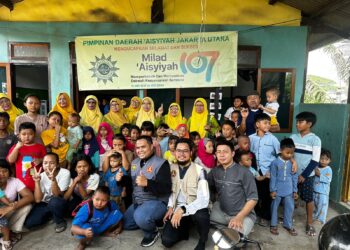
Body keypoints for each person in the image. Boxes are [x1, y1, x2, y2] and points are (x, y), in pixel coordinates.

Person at [161, 138, 210, 250]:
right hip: (177, 208)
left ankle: (203, 240)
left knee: (202, 215)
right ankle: (184, 228)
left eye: (185, 151)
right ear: (174, 152)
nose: (181, 154)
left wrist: (183, 209)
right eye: (179, 150)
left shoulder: (200, 170)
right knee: (166, 241)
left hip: (195, 207)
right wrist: (170, 207)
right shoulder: (171, 168)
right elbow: (171, 192)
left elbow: (204, 199)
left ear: (191, 152)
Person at [123, 136, 171, 247]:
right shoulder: (134, 163)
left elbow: (166, 188)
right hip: (138, 202)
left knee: (141, 217)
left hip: (156, 202)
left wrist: (148, 183)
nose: (140, 150)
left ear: (151, 146)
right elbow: (132, 184)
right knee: (126, 223)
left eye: (143, 147)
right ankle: (154, 220)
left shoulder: (162, 163)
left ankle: (152, 231)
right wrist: (121, 180)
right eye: (137, 148)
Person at [208, 140, 258, 236]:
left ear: (232, 153)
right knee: (201, 217)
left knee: (233, 239)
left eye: (225, 152)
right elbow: (205, 186)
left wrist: (239, 217)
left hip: (243, 215)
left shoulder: (244, 172)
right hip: (222, 212)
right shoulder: (214, 171)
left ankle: (243, 226)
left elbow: (253, 198)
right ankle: (227, 226)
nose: (221, 155)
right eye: (219, 152)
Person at [290, 111, 321, 236]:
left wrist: (304, 175)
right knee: (291, 196)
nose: (297, 124)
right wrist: (293, 163)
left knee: (308, 198)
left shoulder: (315, 139)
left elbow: (315, 160)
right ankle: (288, 218)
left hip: (308, 175)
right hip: (293, 174)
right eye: (297, 121)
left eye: (300, 122)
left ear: (309, 124)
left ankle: (309, 223)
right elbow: (289, 154)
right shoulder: (293, 137)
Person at [24, 152, 70, 233]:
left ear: (58, 164)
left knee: (54, 202)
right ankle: (52, 214)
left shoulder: (65, 173)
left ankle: (60, 221)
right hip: (45, 203)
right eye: (45, 163)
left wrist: (53, 180)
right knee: (30, 223)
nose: (48, 166)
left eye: (51, 163)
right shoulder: (40, 175)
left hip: (59, 201)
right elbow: (38, 200)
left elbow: (58, 195)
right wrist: (37, 182)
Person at [249, 113, 280, 226]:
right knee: (254, 193)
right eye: (265, 122)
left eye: (269, 123)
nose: (268, 125)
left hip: (267, 171)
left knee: (266, 195)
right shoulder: (251, 138)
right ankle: (255, 214)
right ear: (257, 124)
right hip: (253, 171)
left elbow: (280, 155)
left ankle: (265, 216)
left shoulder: (273, 139)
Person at [0, 160, 34, 249]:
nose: (1, 174)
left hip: (6, 212)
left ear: (9, 172)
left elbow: (30, 197)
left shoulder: (15, 181)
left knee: (27, 206)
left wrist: (11, 207)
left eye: (4, 171)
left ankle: (10, 233)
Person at [269, 138, 298, 236]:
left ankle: (288, 225)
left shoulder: (293, 164)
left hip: (289, 190)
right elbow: (273, 177)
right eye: (287, 153)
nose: (290, 155)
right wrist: (272, 190)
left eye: (292, 153)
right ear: (281, 150)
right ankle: (273, 225)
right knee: (274, 207)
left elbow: (294, 177)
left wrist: (295, 191)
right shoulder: (275, 163)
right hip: (277, 189)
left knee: (290, 207)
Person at [7, 122, 46, 192]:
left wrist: (40, 160)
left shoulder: (40, 147)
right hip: (21, 183)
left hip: (37, 181)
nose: (27, 137)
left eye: (30, 134)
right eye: (24, 134)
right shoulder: (15, 147)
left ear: (34, 134)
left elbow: (47, 160)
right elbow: (11, 160)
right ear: (19, 135)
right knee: (26, 200)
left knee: (38, 200)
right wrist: (16, 148)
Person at [313, 148, 332, 225]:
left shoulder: (328, 169)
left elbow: (328, 180)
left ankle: (320, 219)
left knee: (322, 206)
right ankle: (314, 216)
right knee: (315, 204)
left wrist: (319, 174)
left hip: (323, 192)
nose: (324, 161)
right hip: (315, 190)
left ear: (330, 160)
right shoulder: (316, 167)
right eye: (322, 159)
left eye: (326, 159)